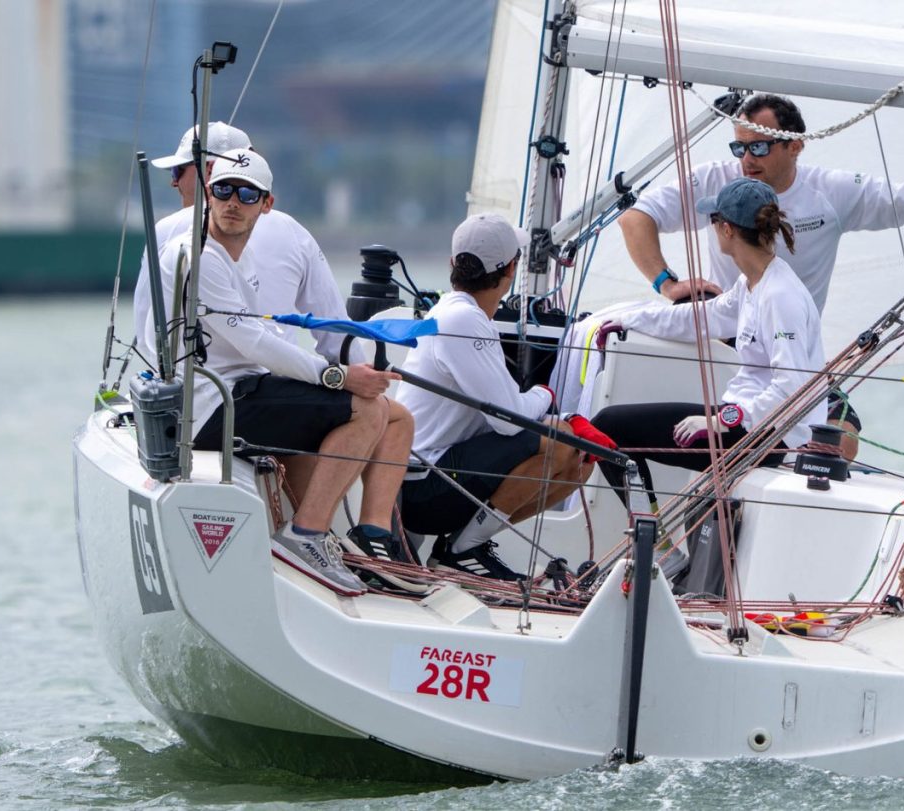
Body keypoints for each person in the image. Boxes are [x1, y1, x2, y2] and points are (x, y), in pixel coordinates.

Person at [617, 93, 904, 460]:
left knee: (838, 442)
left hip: (788, 345)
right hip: (727, 337)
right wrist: (667, 283)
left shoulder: (830, 193)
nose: (746, 159)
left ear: (795, 146)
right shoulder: (715, 181)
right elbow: (635, 217)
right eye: (738, 147)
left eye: (759, 146)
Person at [149, 149, 414, 596]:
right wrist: (339, 378)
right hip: (212, 407)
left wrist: (336, 374)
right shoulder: (199, 256)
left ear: (266, 204)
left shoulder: (237, 258)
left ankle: (371, 538)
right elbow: (252, 342)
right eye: (224, 190)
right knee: (365, 411)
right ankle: (306, 537)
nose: (234, 202)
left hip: (241, 392)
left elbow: (262, 338)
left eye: (247, 194)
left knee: (395, 415)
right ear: (208, 196)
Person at [135, 122, 365, 497]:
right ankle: (333, 532)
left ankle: (310, 533)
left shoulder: (170, 233)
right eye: (224, 191)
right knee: (367, 413)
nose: (173, 182)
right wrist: (350, 378)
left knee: (349, 410)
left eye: (179, 170)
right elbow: (335, 332)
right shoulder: (293, 231)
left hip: (221, 403)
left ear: (208, 172)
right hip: (273, 390)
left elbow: (148, 336)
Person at [394, 213, 612, 581]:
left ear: (453, 264)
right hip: (423, 491)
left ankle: (464, 544)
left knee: (578, 465)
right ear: (511, 269)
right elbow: (508, 419)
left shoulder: (458, 314)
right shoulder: (463, 320)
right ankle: (460, 552)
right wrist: (546, 395)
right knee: (562, 444)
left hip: (433, 480)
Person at [591, 178, 826, 508]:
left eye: (713, 222)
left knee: (609, 428)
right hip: (750, 424)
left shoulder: (779, 296)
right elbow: (702, 317)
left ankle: (649, 537)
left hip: (771, 436)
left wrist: (722, 421)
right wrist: (633, 320)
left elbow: (792, 387)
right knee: (612, 427)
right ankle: (651, 530)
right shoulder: (753, 283)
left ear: (727, 230)